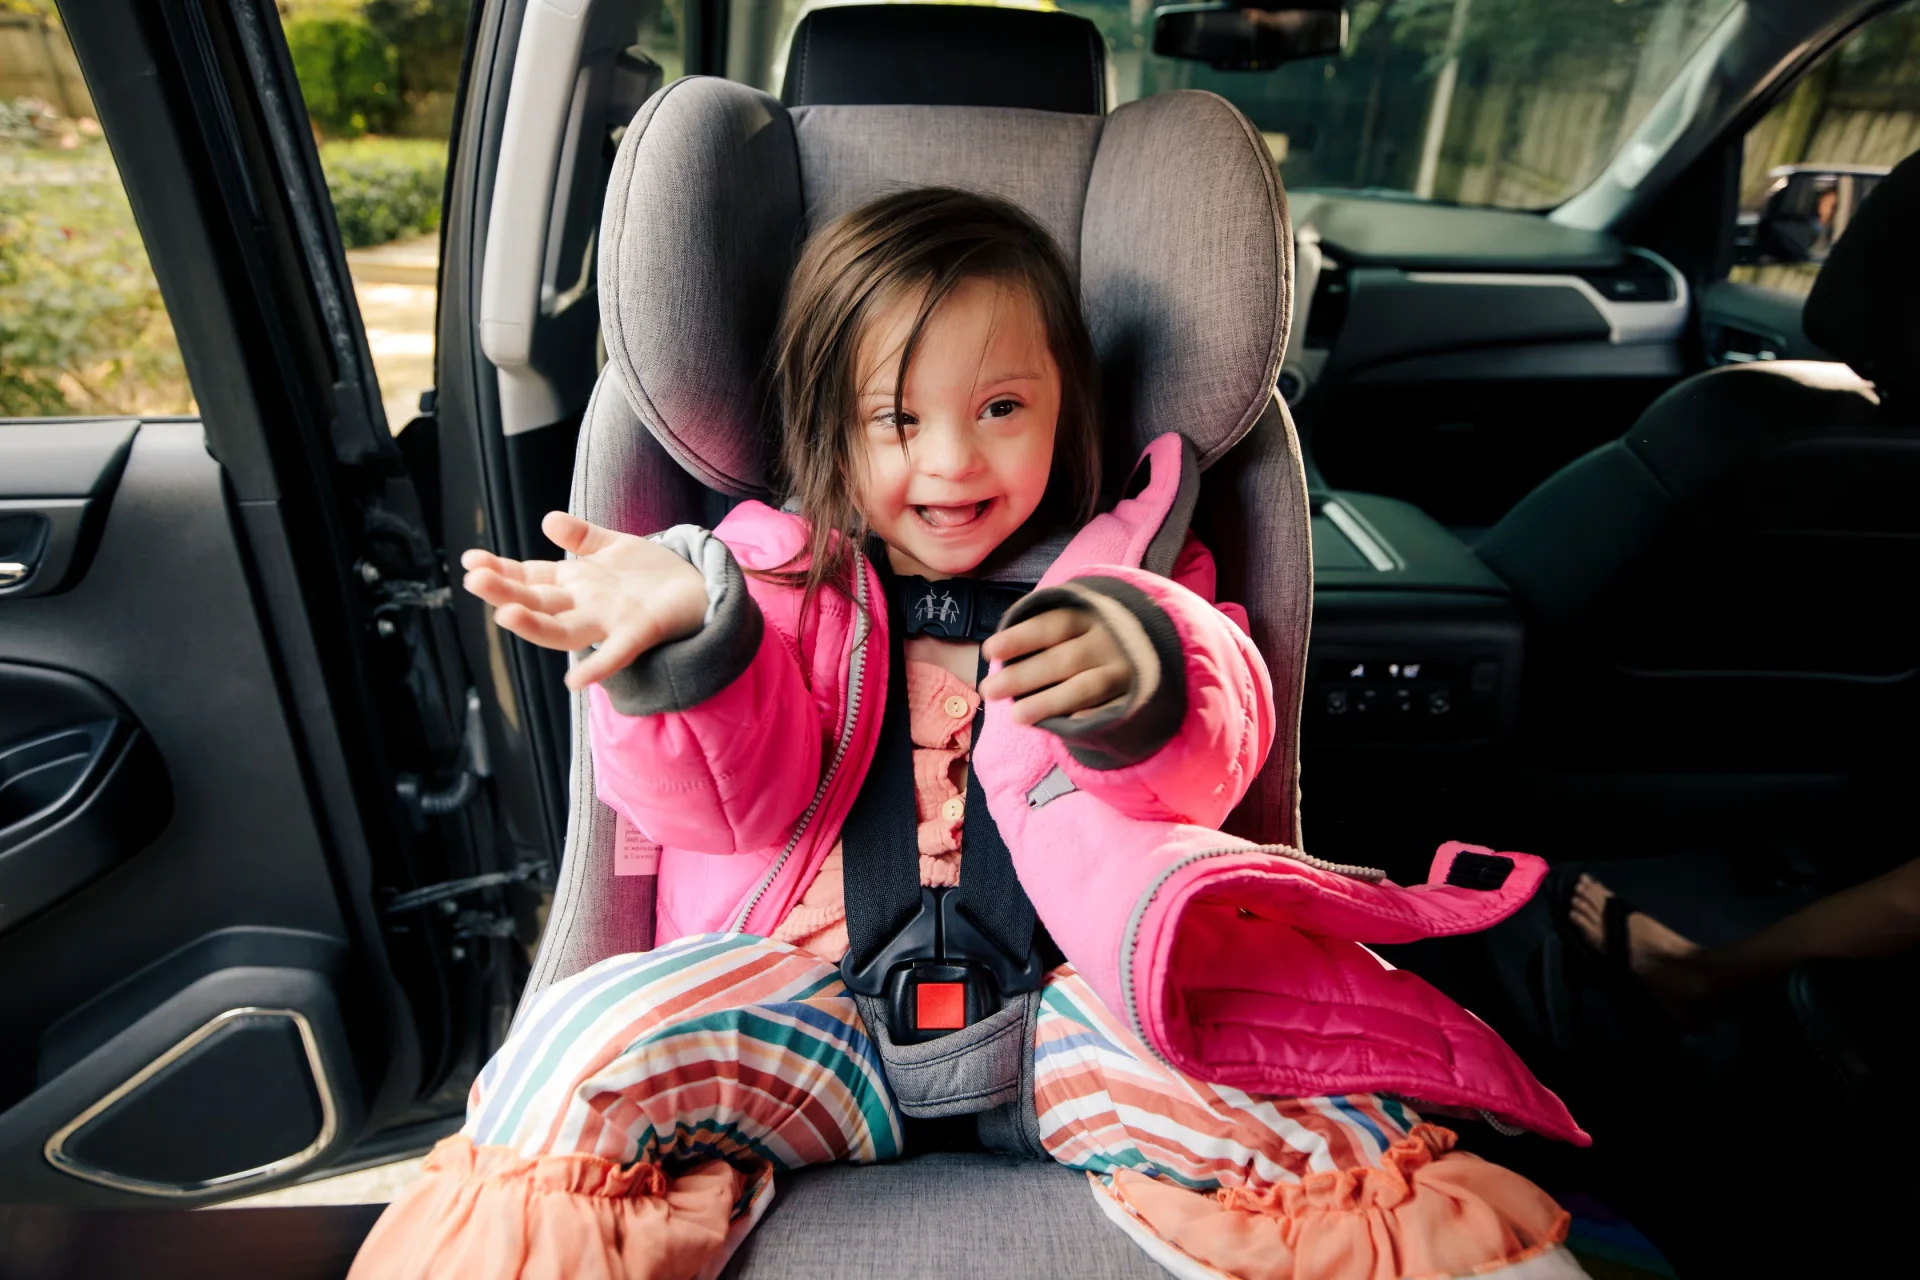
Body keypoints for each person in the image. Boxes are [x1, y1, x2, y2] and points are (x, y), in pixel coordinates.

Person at [348, 189, 1584, 1280]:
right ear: (826, 426)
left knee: (1328, 1115)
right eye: (896, 420)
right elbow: (712, 809)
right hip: (805, 999)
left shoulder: (1138, 573)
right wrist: (694, 650)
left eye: (1002, 405)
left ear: (1067, 405)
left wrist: (1149, 672)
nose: (952, 459)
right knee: (578, 1049)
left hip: (1075, 1000)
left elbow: (1217, 760)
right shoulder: (758, 579)